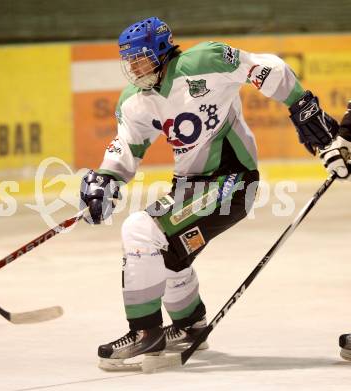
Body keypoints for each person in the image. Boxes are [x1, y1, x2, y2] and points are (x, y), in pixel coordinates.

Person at [80, 16, 351, 370]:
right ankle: (189, 326)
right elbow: (126, 149)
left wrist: (301, 106)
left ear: (161, 51)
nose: (133, 68)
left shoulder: (203, 61)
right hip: (191, 187)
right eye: (128, 60)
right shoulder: (136, 100)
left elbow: (268, 67)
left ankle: (146, 334)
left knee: (140, 230)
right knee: (167, 253)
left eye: (140, 58)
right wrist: (105, 180)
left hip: (232, 180)